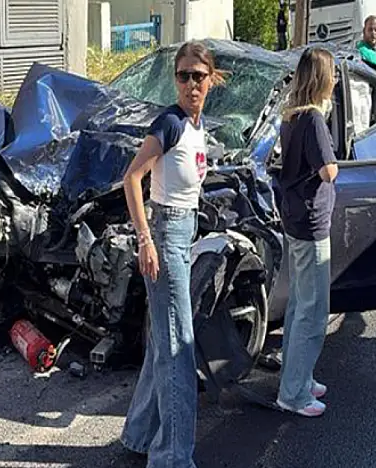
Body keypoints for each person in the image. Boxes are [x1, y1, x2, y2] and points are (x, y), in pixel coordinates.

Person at [119, 41, 223, 467]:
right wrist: (145, 240)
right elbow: (132, 178)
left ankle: (140, 435)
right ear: (175, 80)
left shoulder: (197, 125)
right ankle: (173, 458)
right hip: (165, 236)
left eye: (198, 76)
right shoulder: (171, 123)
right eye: (183, 76)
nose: (190, 84)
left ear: (211, 80)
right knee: (179, 347)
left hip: (184, 230)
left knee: (166, 341)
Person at [275, 47, 339, 417]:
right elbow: (327, 170)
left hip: (296, 219)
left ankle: (298, 377)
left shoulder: (291, 116)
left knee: (300, 304)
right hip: (312, 224)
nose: (334, 81)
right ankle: (295, 393)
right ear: (321, 79)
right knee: (313, 311)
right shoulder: (314, 119)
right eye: (331, 74)